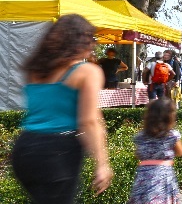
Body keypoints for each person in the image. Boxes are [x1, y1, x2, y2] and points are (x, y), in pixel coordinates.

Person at [11, 14, 112, 203]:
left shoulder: (36, 70)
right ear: (80, 41)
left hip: (25, 148)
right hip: (58, 152)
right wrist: (102, 164)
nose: (94, 45)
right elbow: (88, 121)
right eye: (91, 39)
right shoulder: (88, 71)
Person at [128, 99, 182, 204]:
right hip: (163, 175)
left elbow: (137, 154)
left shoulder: (140, 136)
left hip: (143, 175)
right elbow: (180, 151)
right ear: (169, 117)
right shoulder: (172, 135)